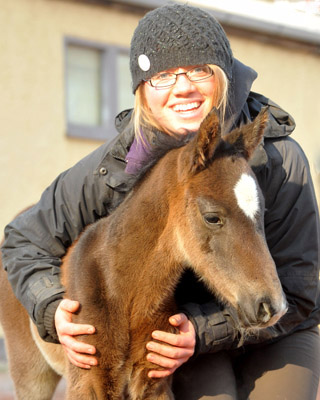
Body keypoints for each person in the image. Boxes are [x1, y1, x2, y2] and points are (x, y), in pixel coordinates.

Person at [2, 4, 320, 399]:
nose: (182, 87)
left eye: (198, 71)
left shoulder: (279, 160)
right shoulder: (116, 165)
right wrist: (50, 309)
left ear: (222, 77)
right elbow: (24, 238)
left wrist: (202, 331)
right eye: (163, 76)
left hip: (272, 326)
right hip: (189, 334)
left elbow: (303, 290)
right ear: (142, 91)